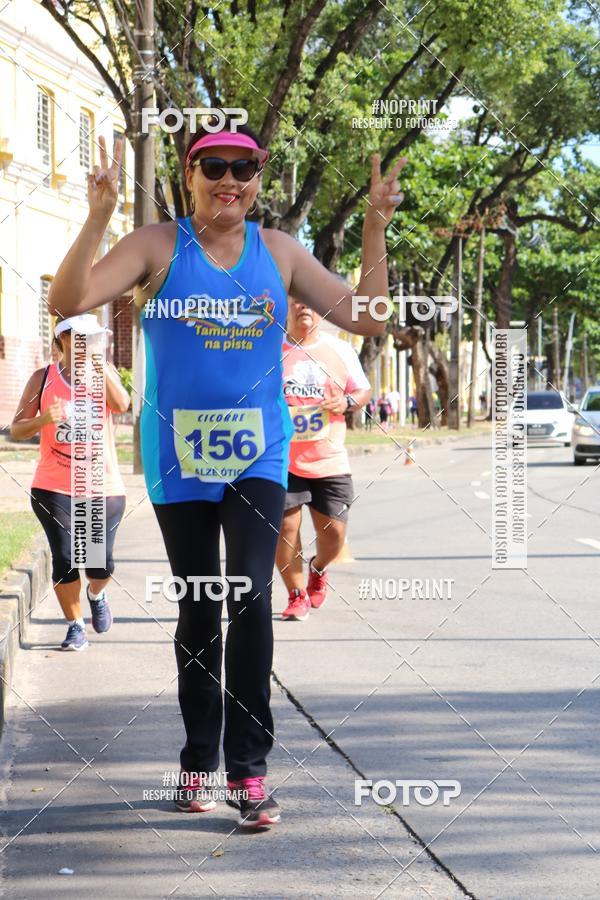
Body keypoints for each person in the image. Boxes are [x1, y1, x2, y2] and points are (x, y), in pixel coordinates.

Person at [48, 120, 406, 828]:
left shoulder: (277, 252)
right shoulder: (157, 245)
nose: (229, 181)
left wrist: (373, 228)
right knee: (200, 608)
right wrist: (95, 217)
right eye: (213, 167)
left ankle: (247, 772)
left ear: (257, 179)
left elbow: (369, 318)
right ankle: (194, 763)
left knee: (247, 597)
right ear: (190, 176)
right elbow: (68, 302)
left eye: (244, 168)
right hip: (177, 455)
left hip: (258, 455)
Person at [10, 315, 129, 651]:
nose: (89, 345)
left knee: (99, 563)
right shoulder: (43, 378)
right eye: (83, 339)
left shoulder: (101, 374)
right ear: (63, 340)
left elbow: (122, 404)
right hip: (53, 486)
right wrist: (44, 418)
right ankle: (75, 625)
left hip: (101, 485)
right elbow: (16, 429)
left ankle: (97, 593)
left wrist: (102, 366)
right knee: (65, 557)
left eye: (94, 339)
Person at [276, 299, 371, 621]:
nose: (303, 306)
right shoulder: (270, 349)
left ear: (321, 309)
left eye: (310, 302)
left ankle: (318, 567)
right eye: (296, 301)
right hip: (281, 459)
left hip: (329, 459)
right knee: (286, 527)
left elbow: (363, 391)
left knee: (335, 536)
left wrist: (344, 402)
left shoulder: (340, 349)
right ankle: (296, 594)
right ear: (287, 306)